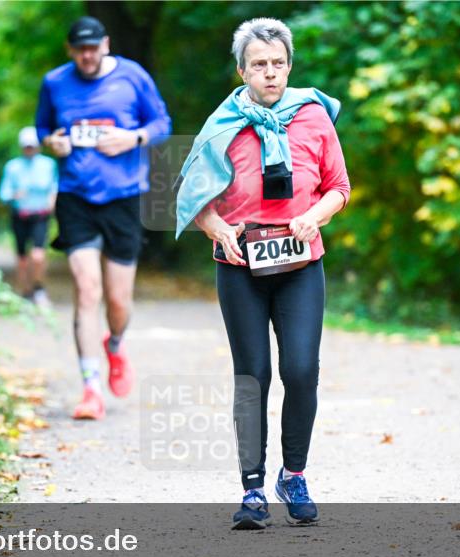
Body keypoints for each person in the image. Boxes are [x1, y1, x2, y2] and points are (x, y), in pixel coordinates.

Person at [174, 18, 351, 528]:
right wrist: (216, 228)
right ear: (242, 70)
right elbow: (192, 197)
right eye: (259, 65)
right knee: (253, 376)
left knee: (301, 370)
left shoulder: (314, 117)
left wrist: (313, 216)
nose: (269, 73)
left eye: (277, 64)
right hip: (239, 266)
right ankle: (253, 491)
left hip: (300, 262)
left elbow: (339, 187)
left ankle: (293, 476)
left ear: (289, 67)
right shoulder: (221, 124)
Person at [35, 16, 172, 419]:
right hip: (75, 196)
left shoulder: (133, 77)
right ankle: (90, 388)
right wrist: (51, 143)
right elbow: (43, 129)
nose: (88, 55)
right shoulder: (54, 82)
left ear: (106, 44)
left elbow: (162, 123)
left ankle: (115, 345)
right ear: (70, 50)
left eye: (94, 47)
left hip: (124, 197)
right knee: (87, 289)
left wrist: (134, 138)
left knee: (117, 300)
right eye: (80, 49)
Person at [0, 127, 59, 304]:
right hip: (20, 215)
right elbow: (4, 193)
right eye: (27, 147)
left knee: (38, 255)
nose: (29, 150)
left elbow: (54, 186)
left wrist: (53, 200)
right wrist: (14, 195)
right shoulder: (12, 167)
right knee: (22, 258)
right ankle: (25, 291)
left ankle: (39, 287)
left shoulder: (48, 165)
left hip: (41, 215)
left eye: (32, 146)